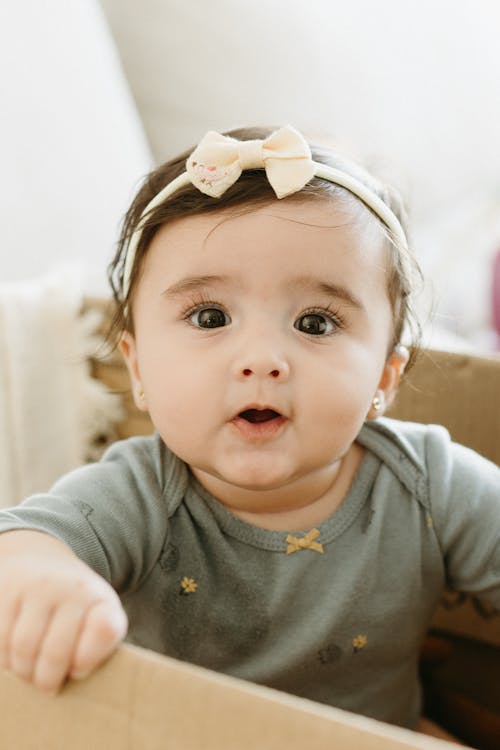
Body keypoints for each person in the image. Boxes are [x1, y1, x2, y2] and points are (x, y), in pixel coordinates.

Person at [0, 126, 498, 738]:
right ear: (138, 367)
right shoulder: (139, 495)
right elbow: (21, 539)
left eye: (315, 323)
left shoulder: (430, 485)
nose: (262, 358)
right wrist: (44, 578)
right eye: (210, 317)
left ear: (385, 378)